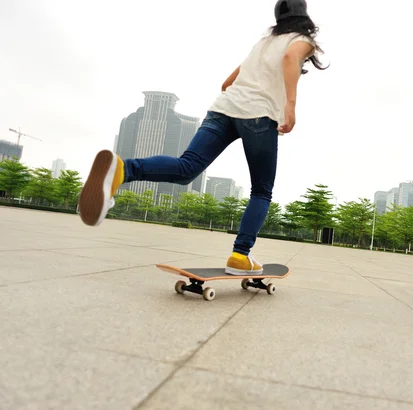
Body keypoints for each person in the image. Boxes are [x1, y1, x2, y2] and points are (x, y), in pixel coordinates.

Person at [77, 0, 328, 275]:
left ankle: (124, 169)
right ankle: (240, 256)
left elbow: (227, 83)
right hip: (259, 116)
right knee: (261, 190)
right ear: (304, 17)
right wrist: (289, 105)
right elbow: (291, 58)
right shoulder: (302, 40)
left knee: (187, 167)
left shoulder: (264, 42)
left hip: (222, 110)